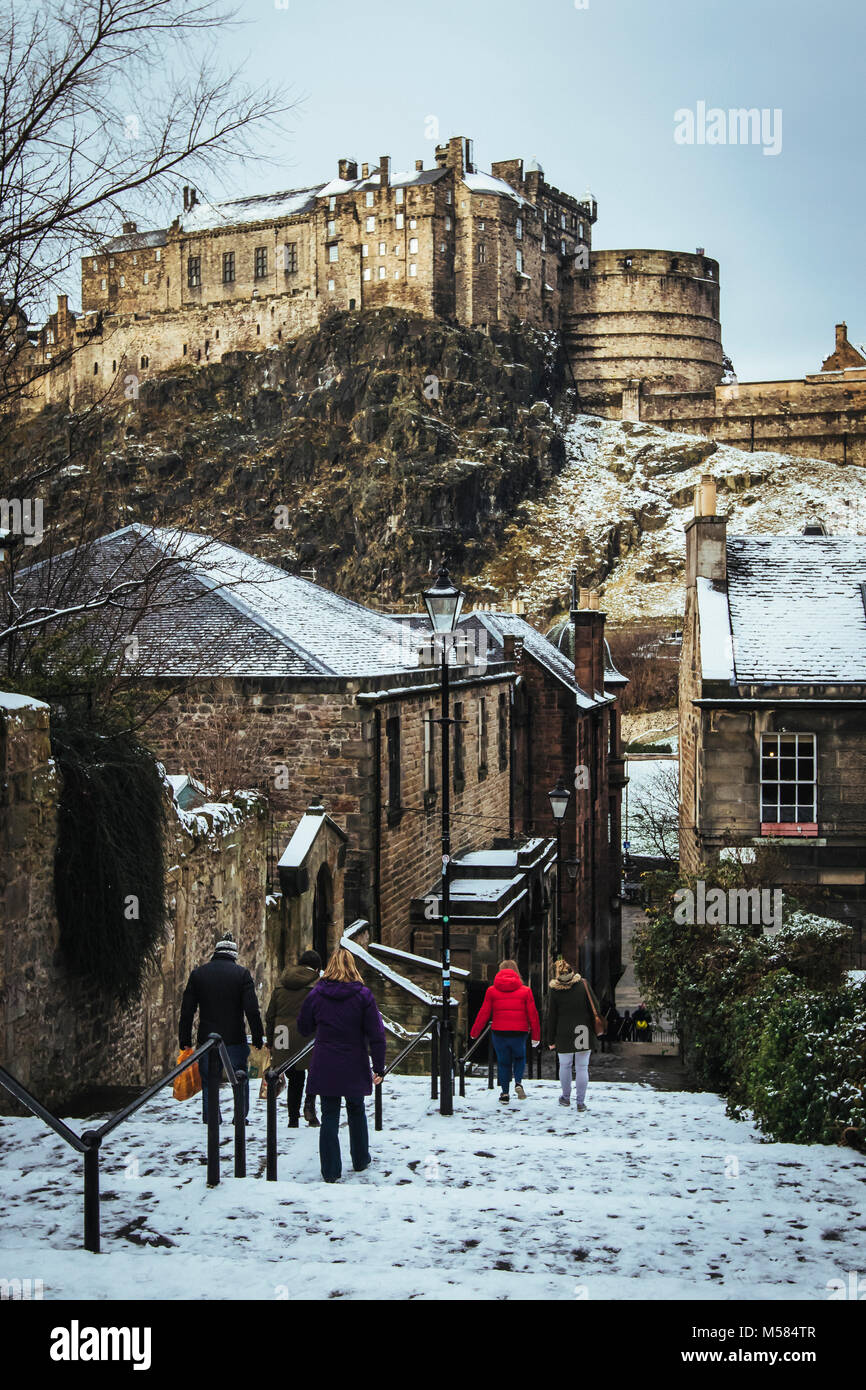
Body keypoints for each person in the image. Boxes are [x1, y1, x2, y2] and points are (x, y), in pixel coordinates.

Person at [297, 947, 386, 1183]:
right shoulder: (363, 995)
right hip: (354, 1059)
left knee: (329, 1116)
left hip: (325, 1059)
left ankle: (330, 1171)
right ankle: (360, 1158)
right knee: (356, 1109)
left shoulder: (317, 994)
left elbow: (303, 1026)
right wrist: (379, 1066)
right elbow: (376, 1033)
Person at [179, 932, 264, 1124]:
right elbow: (252, 1010)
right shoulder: (241, 974)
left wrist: (184, 1039)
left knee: (209, 1079)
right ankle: (240, 1117)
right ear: (234, 955)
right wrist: (258, 1037)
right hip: (234, 1037)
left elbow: (187, 1010)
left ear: (215, 953)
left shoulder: (198, 974)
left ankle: (212, 1117)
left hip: (207, 1039)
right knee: (239, 1076)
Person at [469, 958, 540, 1104]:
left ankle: (504, 1093)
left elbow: (484, 1012)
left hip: (499, 1031)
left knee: (503, 1062)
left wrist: (475, 1032)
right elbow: (533, 1014)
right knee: (520, 1058)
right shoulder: (526, 991)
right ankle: (518, 1082)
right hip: (520, 1031)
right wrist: (536, 1036)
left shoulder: (491, 991)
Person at [265, 950, 322, 1128]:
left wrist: (270, 1040)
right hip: (308, 1034)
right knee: (314, 1072)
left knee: (294, 1077)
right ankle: (309, 1104)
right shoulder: (317, 984)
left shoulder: (282, 983)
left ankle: (292, 1118)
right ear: (317, 967)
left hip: (283, 1035)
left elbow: (270, 1015)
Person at [546, 957, 601, 1111]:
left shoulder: (554, 990)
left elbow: (552, 1017)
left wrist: (550, 1039)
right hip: (582, 1031)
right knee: (582, 1067)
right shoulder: (583, 985)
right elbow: (595, 1007)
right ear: (571, 971)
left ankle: (565, 1097)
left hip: (563, 1033)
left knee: (565, 1066)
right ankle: (581, 1102)